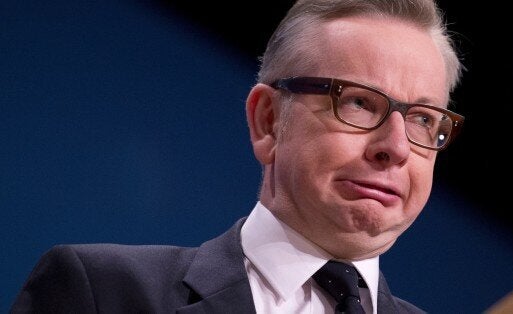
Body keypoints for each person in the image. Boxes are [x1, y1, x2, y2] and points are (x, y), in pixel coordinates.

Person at [10, 0, 464, 312]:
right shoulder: (104, 293)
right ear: (268, 121)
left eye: (424, 119)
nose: (397, 148)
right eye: (359, 103)